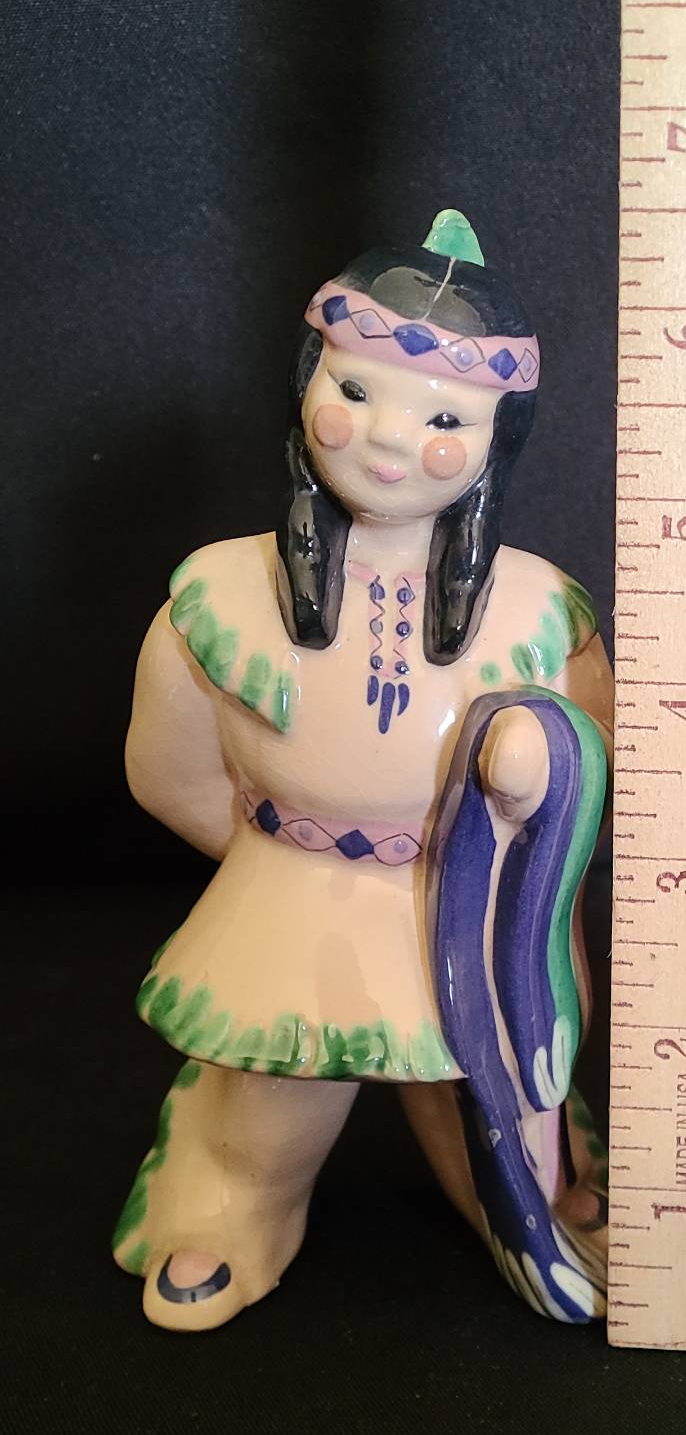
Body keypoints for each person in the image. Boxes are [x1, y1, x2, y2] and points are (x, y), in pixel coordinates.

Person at [114, 211, 613, 1330]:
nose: (388, 439)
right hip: (295, 894)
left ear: (498, 439)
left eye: (443, 418)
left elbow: (601, 763)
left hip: (469, 904)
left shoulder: (542, 613)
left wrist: (533, 785)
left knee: (491, 1089)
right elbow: (167, 771)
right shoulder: (219, 597)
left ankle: (536, 1199)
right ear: (308, 381)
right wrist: (283, 857)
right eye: (355, 390)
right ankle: (234, 1202)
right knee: (273, 1090)